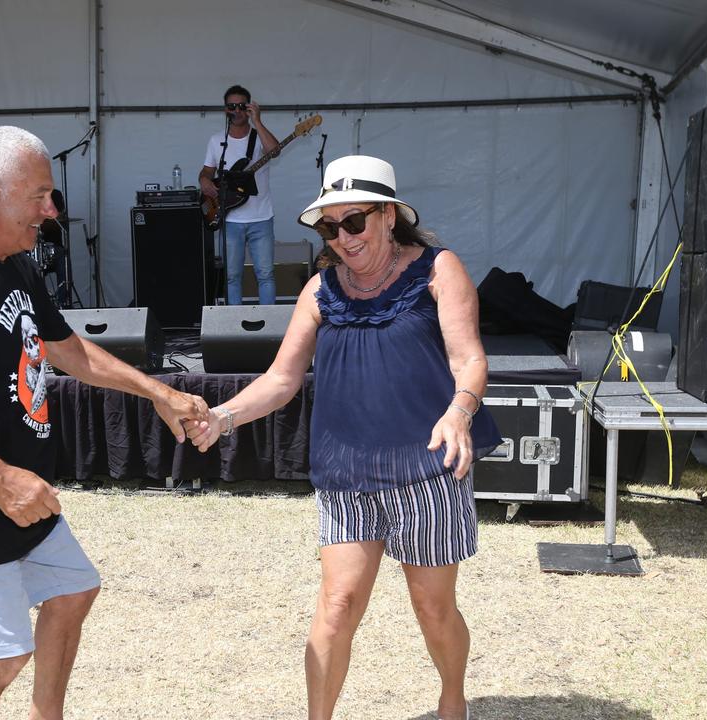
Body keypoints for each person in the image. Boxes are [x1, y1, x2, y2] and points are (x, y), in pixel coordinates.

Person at [0, 125, 208, 719]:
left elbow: (66, 348)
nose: (52, 211)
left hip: (21, 497)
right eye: (39, 195)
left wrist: (158, 391)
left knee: (73, 589)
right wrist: (0, 477)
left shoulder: (15, 263)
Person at [186, 156, 502, 720]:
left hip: (425, 469)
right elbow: (281, 380)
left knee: (432, 609)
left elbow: (469, 358)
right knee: (336, 604)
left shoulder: (438, 270)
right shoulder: (318, 290)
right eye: (330, 227)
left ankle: (453, 699)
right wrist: (223, 416)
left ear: (387, 216)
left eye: (353, 222)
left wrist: (460, 411)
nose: (342, 238)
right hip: (347, 473)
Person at [198, 84, 281, 306]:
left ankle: (268, 328)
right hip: (231, 219)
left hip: (261, 217)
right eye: (231, 106)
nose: (236, 110)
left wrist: (258, 122)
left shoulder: (258, 136)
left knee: (265, 275)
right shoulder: (217, 141)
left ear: (249, 107)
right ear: (225, 109)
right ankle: (234, 327)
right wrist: (204, 180)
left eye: (241, 106)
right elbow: (207, 171)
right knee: (232, 277)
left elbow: (275, 151)